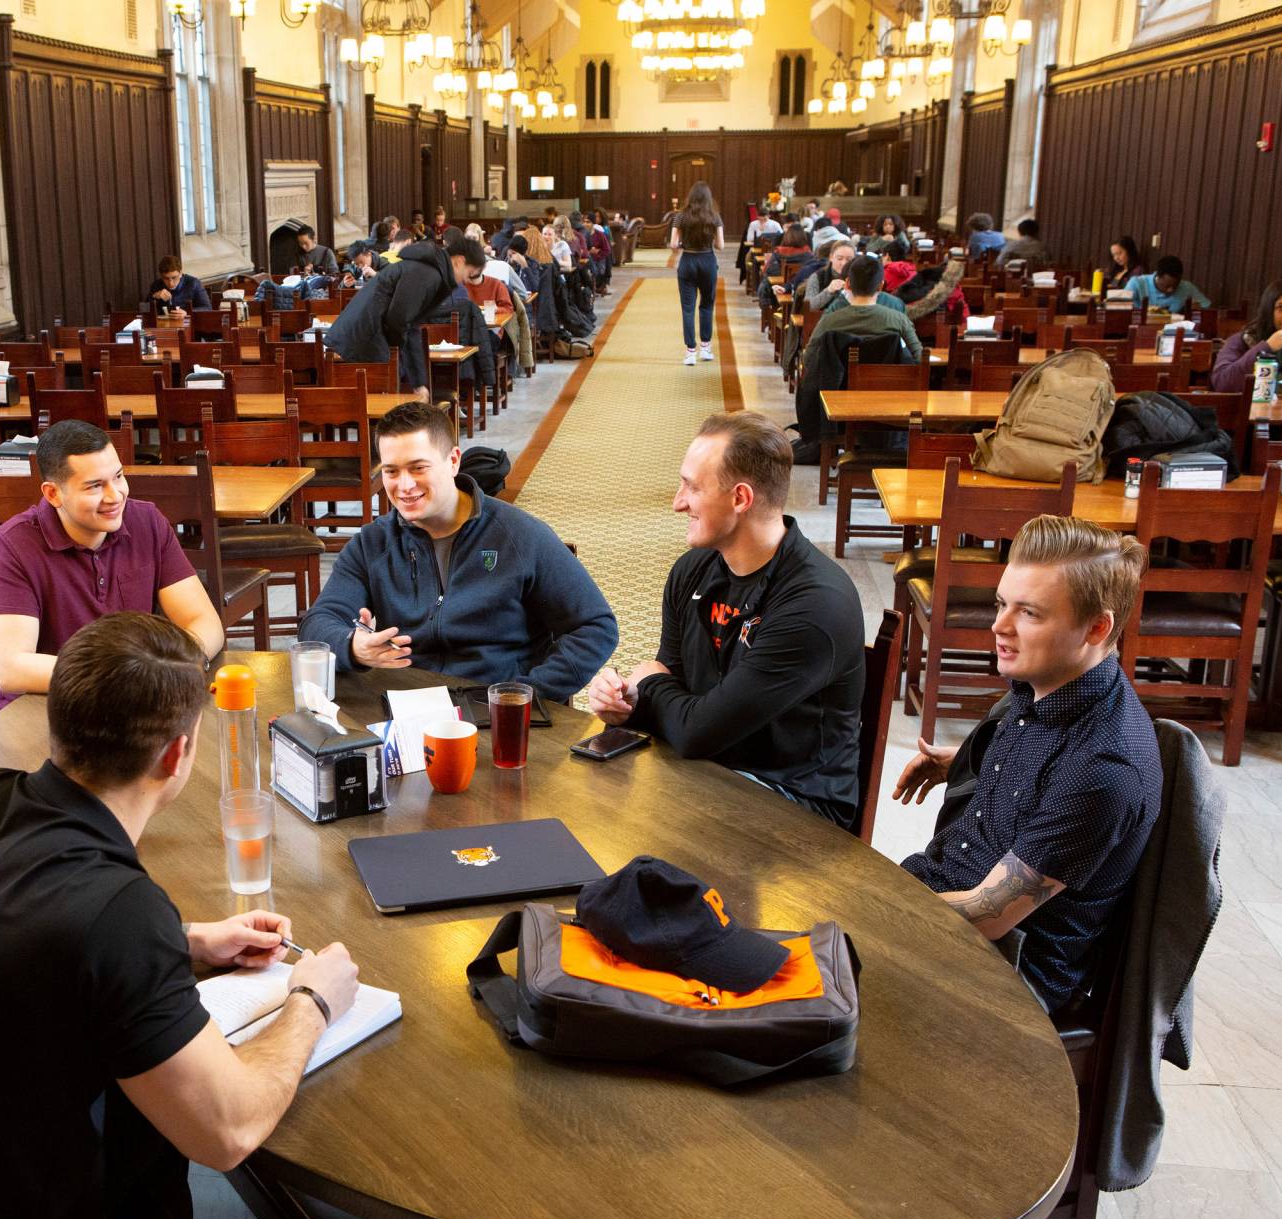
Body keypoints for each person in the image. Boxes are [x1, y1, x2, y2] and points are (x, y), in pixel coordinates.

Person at [0, 613, 379, 1219]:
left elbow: (35, 938)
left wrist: (185, 942)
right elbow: (228, 1132)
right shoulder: (117, 910)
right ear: (178, 753)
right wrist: (314, 999)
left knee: (144, 1133)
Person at [893, 515, 1161, 1012]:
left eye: (1029, 613)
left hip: (1006, 976)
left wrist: (868, 905)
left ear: (1096, 627)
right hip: (943, 901)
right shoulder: (1048, 683)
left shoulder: (1103, 766)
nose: (999, 625)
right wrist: (966, 762)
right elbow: (1039, 773)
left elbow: (988, 915)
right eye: (1001, 604)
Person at [586, 412, 866, 828]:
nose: (677, 502)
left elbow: (696, 729)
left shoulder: (816, 607)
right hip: (708, 767)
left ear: (740, 499)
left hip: (796, 808)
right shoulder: (693, 570)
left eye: (692, 487)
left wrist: (652, 685)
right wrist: (630, 703)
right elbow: (675, 690)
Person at [298, 401, 616, 701]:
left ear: (453, 461)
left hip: (495, 709)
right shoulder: (372, 543)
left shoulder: (519, 535)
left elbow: (595, 626)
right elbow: (319, 622)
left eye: (418, 468)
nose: (404, 485)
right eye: (391, 471)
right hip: (407, 707)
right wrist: (353, 646)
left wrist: (527, 694)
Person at [0, 420, 223, 703]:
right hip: (46, 704)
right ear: (53, 494)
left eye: (118, 477)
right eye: (95, 486)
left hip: (134, 701)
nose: (115, 495)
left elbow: (204, 621)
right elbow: (11, 669)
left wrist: (179, 662)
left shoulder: (146, 521)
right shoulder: (12, 546)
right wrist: (126, 675)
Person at [792, 254, 922, 461]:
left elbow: (809, 359)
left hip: (838, 407)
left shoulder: (831, 320)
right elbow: (919, 361)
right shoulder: (898, 319)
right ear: (881, 285)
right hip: (888, 404)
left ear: (848, 283)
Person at [323, 234, 480, 400]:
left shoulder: (429, 271)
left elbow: (409, 324)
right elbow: (399, 321)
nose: (466, 281)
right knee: (383, 402)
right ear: (459, 261)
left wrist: (418, 382)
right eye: (469, 274)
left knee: (393, 393)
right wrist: (416, 381)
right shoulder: (427, 273)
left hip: (367, 336)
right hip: (365, 337)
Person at [667, 180, 725, 365]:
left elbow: (674, 245)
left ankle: (690, 352)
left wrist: (683, 245)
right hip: (708, 260)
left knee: (688, 308)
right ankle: (706, 348)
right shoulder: (714, 216)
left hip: (688, 261)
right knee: (707, 305)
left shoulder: (681, 216)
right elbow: (721, 245)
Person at [1126, 255, 1212, 312]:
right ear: (1158, 276)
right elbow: (1122, 308)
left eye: (1175, 286)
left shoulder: (1186, 288)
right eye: (1167, 286)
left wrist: (1198, 309)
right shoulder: (1137, 283)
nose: (1171, 289)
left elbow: (1207, 308)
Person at [800, 240, 859, 311]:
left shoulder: (858, 277)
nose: (844, 263)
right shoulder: (817, 277)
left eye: (849, 259)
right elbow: (809, 307)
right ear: (831, 257)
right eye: (839, 258)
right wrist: (829, 290)